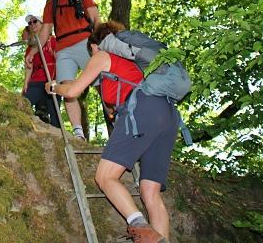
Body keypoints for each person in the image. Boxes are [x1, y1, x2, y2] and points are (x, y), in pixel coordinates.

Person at [45, 21, 178, 243]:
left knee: (105, 177)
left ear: (96, 45)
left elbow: (73, 91)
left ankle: (141, 229)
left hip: (142, 110)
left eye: (91, 51)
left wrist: (55, 87)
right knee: (150, 192)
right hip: (168, 113)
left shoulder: (103, 56)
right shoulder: (137, 60)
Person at [25, 0, 100, 140]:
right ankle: (78, 132)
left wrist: (99, 42)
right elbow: (45, 32)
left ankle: (116, 119)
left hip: (86, 42)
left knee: (101, 84)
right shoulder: (50, 5)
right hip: (63, 49)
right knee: (66, 87)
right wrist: (33, 52)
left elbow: (96, 18)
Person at [22, 15, 61, 128]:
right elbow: (30, 66)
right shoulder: (31, 47)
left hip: (51, 79)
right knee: (24, 103)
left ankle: (60, 138)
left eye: (35, 21)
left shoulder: (52, 40)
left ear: (43, 25)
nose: (32, 24)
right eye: (30, 23)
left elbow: (59, 59)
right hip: (36, 81)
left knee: (55, 114)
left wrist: (57, 79)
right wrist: (26, 83)